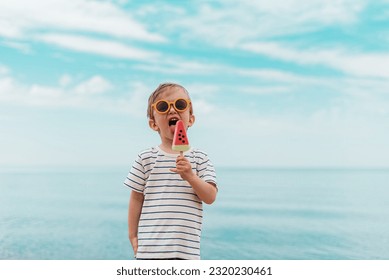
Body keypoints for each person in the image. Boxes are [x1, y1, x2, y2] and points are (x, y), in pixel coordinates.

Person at [124, 83, 218, 260]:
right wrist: (133, 235)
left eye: (180, 105)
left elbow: (210, 197)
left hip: (186, 254)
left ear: (190, 119)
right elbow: (136, 198)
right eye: (162, 107)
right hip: (149, 252)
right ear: (153, 124)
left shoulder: (200, 158)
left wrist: (191, 176)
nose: (172, 110)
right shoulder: (145, 158)